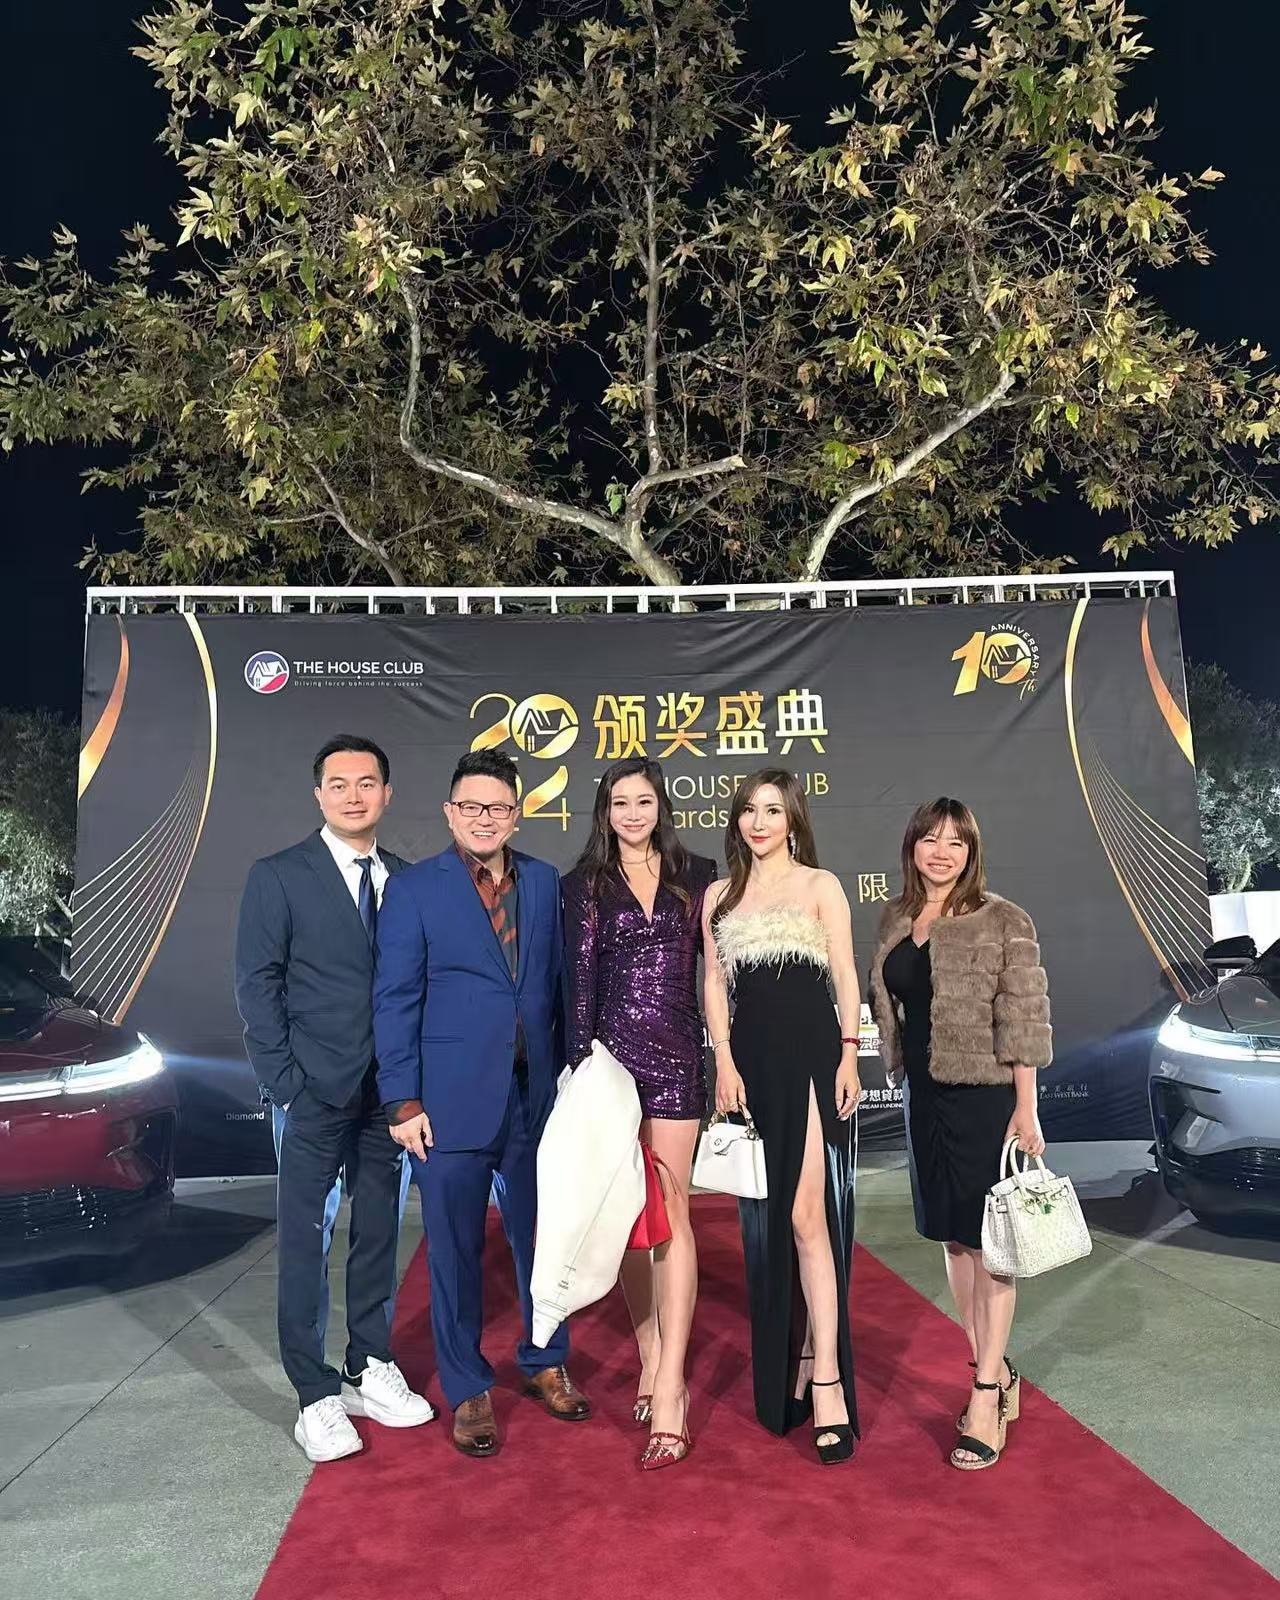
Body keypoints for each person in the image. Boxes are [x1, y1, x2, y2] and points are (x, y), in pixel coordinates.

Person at [373, 749, 592, 1458]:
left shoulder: (543, 882)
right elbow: (395, 999)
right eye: (471, 806)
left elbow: (557, 987)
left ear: (517, 814)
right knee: (455, 1252)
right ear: (449, 813)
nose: (484, 818)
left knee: (545, 1243)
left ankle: (545, 1360)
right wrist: (402, 1100)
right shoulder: (414, 890)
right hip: (447, 1104)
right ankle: (468, 1386)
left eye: (498, 807)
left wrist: (572, 1077)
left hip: (535, 1100)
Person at [235, 735, 435, 1463]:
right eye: (340, 784)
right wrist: (286, 1084)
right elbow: (257, 985)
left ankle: (367, 1364)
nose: (354, 795)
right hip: (312, 1093)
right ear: (319, 794)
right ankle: (313, 1393)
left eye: (367, 783)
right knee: (305, 1243)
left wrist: (412, 1087)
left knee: (380, 1231)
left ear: (387, 793)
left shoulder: (408, 880)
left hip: (390, 1098)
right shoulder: (279, 875)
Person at [867, 797, 1052, 1473]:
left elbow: (1024, 1019)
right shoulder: (896, 917)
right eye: (930, 839)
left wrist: (1026, 1108)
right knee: (951, 1236)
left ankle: (984, 1393)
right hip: (923, 1097)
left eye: (955, 842)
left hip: (984, 1099)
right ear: (912, 847)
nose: (941, 852)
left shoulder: (1004, 919)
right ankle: (993, 1367)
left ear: (972, 851)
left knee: (989, 1242)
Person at [703, 769, 861, 1465]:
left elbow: (846, 974)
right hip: (752, 1063)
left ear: (793, 819)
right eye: (748, 810)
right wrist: (724, 1061)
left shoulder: (821, 885)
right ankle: (794, 1360)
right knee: (770, 1225)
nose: (759, 821)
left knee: (806, 1218)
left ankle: (827, 1380)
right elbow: (715, 982)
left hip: (812, 1056)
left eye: (772, 810)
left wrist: (850, 1055)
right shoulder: (719, 895)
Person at [562, 758, 716, 1470]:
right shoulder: (583, 885)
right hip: (612, 1064)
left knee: (673, 1211)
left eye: (643, 800)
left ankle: (673, 1384)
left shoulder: (699, 874)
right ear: (604, 811)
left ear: (661, 807)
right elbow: (580, 984)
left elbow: (715, 974)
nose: (631, 813)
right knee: (630, 1214)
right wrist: (580, 1072)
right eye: (619, 802)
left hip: (679, 1057)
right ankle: (650, 1353)